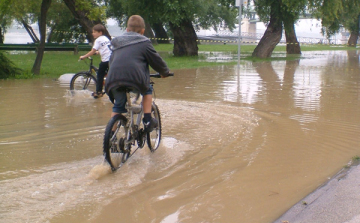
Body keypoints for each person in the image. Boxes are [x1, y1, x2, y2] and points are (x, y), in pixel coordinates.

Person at [105, 15, 170, 132]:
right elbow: (156, 61)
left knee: (118, 106)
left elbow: (112, 61)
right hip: (134, 80)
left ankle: (111, 137)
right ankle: (148, 119)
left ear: (127, 29)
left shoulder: (115, 42)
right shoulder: (144, 42)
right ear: (143, 31)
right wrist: (164, 72)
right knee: (148, 89)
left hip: (113, 79)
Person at [80, 24, 111, 98]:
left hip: (106, 60)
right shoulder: (105, 38)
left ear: (100, 33)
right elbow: (105, 48)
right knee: (106, 74)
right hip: (112, 59)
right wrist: (98, 52)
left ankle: (98, 92)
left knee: (100, 75)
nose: (92, 33)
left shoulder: (98, 40)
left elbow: (92, 51)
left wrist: (84, 56)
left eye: (94, 32)